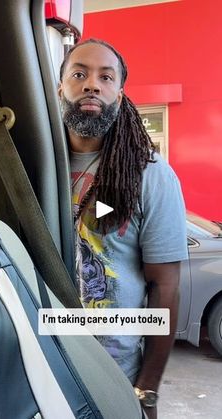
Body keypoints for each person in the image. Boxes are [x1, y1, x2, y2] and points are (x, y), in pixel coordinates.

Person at [58, 38, 188, 419]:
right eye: (79, 74)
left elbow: (165, 287)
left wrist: (146, 389)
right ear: (59, 87)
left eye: (106, 77)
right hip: (39, 362)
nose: (92, 84)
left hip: (112, 375)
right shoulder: (34, 163)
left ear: (119, 93)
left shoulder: (150, 174)